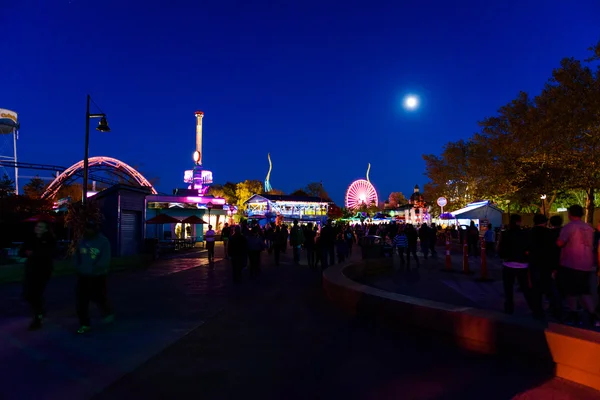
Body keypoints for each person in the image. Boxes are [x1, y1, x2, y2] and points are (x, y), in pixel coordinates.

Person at [557, 205, 600, 326]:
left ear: (570, 214)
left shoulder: (569, 227)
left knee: (571, 292)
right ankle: (593, 316)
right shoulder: (588, 228)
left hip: (571, 263)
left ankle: (574, 315)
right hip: (586, 264)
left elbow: (560, 243)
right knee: (584, 291)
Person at [73, 221, 114, 334]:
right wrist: (78, 267)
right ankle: (85, 324)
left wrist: (95, 269)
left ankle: (107, 311)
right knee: (81, 301)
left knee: (99, 297)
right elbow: (77, 255)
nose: (88, 231)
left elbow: (105, 259)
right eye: (87, 228)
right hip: (83, 276)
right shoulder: (82, 241)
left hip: (98, 276)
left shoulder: (103, 242)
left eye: (90, 228)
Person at [19, 220, 56, 330]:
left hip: (43, 271)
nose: (38, 228)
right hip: (30, 270)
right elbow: (22, 251)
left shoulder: (50, 239)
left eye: (41, 227)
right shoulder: (30, 238)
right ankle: (40, 311)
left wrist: (33, 253)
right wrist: (27, 253)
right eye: (37, 226)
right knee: (27, 294)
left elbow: (46, 254)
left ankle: (38, 317)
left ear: (45, 229)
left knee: (36, 293)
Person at [498, 214, 535, 315]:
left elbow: (500, 249)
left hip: (508, 263)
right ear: (519, 221)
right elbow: (530, 248)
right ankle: (534, 308)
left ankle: (509, 308)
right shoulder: (525, 234)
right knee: (525, 288)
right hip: (522, 264)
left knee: (508, 288)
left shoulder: (505, 234)